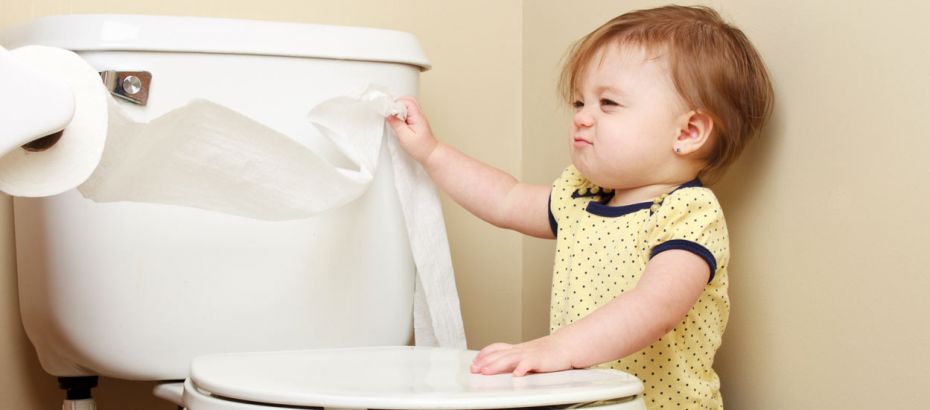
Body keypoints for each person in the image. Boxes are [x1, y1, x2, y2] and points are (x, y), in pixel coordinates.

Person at [387, 5, 773, 408]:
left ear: (688, 132)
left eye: (608, 104)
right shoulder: (581, 196)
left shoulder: (688, 212)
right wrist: (431, 153)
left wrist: (559, 348)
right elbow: (505, 198)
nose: (582, 118)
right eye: (578, 103)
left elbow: (657, 306)